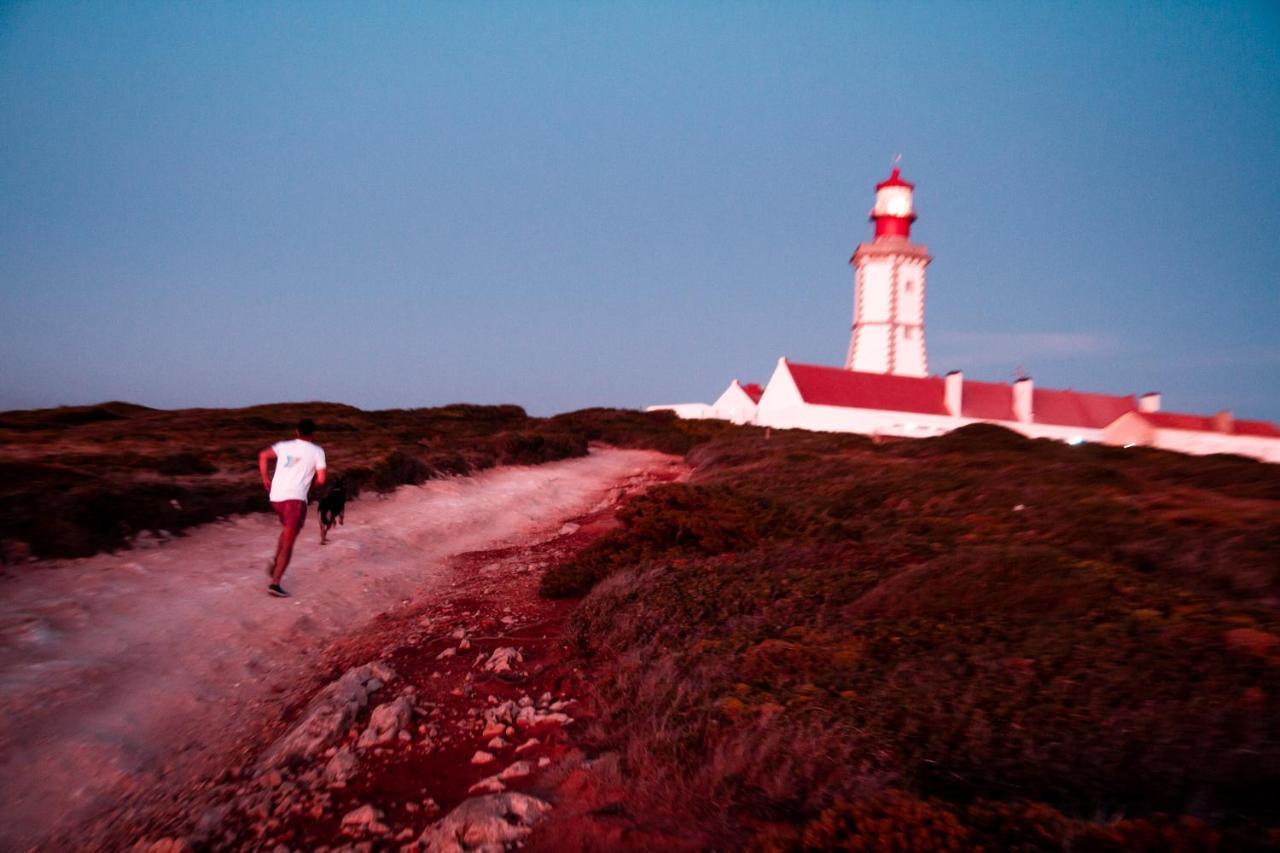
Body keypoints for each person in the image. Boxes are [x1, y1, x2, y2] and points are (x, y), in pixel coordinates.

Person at [258, 418, 326, 597]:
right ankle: (275, 583)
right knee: (289, 541)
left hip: (276, 497)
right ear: (313, 434)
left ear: (297, 432)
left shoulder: (283, 446)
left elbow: (263, 455)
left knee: (288, 530)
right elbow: (321, 480)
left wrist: (265, 477)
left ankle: (276, 560)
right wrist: (312, 480)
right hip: (295, 500)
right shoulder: (317, 451)